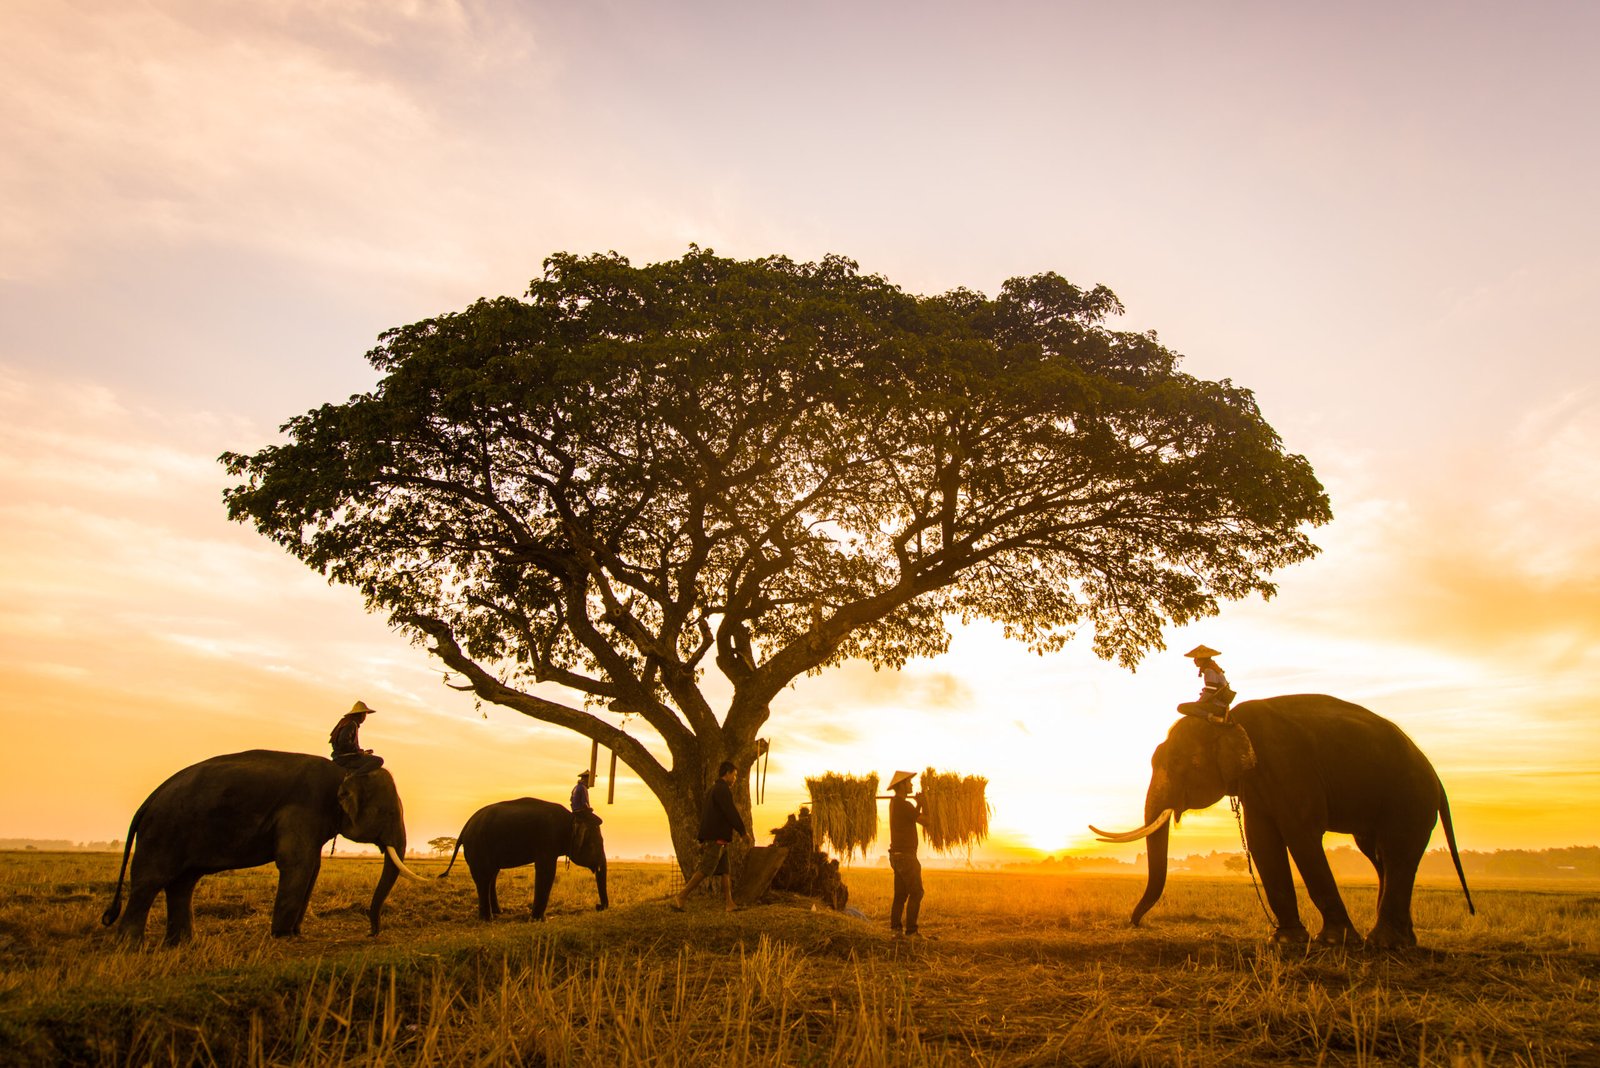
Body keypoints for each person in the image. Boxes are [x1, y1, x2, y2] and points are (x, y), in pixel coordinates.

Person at [671, 761, 750, 913]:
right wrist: (743, 832)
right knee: (706, 869)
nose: (735, 779)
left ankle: (729, 903)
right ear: (726, 773)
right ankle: (681, 896)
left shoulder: (713, 789)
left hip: (720, 837)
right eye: (734, 775)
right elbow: (731, 812)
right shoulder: (722, 789)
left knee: (725, 871)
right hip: (717, 837)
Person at [887, 769, 927, 937]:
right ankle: (912, 931)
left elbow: (911, 817)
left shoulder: (895, 803)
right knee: (917, 892)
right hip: (906, 857)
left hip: (897, 856)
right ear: (902, 785)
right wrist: (925, 803)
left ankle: (896, 930)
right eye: (909, 782)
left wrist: (918, 804)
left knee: (901, 894)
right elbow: (926, 821)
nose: (912, 784)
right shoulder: (903, 804)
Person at [1176, 645, 1235, 724]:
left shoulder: (1209, 670)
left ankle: (1212, 717)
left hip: (1216, 706)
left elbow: (1210, 690)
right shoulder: (1215, 669)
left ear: (1201, 660)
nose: (1194, 661)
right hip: (1222, 705)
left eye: (1195, 658)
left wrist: (1199, 702)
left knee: (1181, 707)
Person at [329, 700, 384, 771]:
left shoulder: (345, 722)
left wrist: (362, 752)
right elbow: (343, 741)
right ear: (361, 714)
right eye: (365, 714)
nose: (365, 717)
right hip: (345, 759)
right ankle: (355, 776)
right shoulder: (352, 724)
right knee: (378, 760)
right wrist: (358, 751)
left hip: (339, 757)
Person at [570, 769, 602, 853]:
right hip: (581, 812)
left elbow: (571, 800)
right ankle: (589, 840)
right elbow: (584, 803)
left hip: (575, 811)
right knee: (598, 821)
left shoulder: (575, 787)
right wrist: (589, 809)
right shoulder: (583, 788)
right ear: (587, 779)